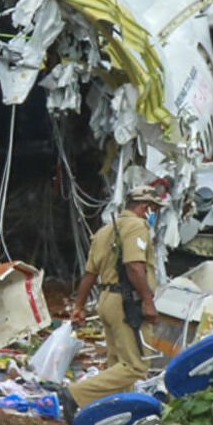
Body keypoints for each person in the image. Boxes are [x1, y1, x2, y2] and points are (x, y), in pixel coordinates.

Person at [64, 176, 166, 410]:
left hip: (106, 300)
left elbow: (90, 273)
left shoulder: (105, 230)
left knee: (117, 364)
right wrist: (148, 302)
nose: (154, 214)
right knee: (135, 366)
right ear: (144, 207)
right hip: (126, 302)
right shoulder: (137, 226)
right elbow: (134, 266)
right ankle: (76, 393)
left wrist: (79, 306)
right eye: (154, 209)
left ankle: (117, 412)